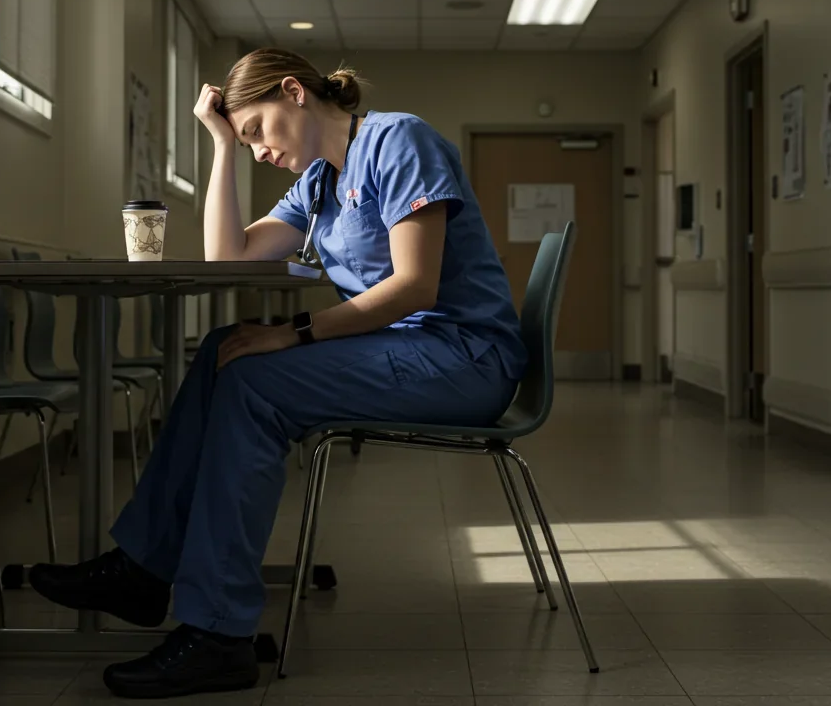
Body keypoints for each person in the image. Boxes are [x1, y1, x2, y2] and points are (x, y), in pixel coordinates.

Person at [28, 48, 527, 699]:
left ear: (294, 92)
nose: (260, 152)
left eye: (257, 131)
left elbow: (414, 287)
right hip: (402, 352)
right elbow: (225, 259)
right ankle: (144, 569)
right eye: (248, 143)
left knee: (252, 379)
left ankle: (218, 635)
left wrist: (293, 331)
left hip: (462, 358)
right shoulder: (319, 182)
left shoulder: (399, 140)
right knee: (226, 349)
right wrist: (222, 145)